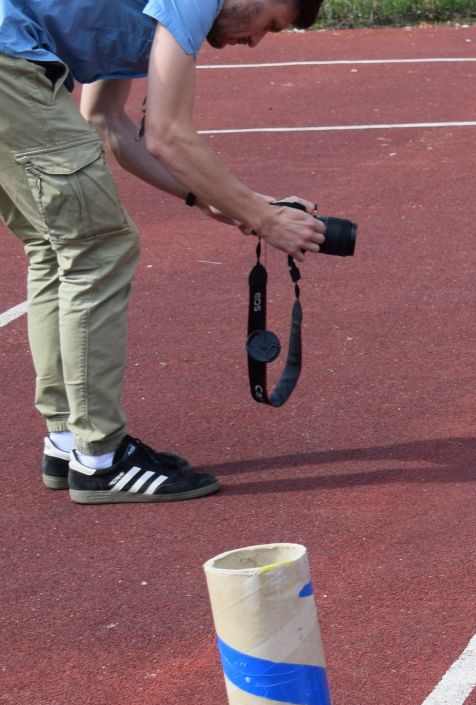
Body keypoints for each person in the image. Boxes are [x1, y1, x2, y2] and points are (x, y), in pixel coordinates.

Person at [0, 0, 326, 503]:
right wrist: (266, 221)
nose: (257, 41)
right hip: (11, 61)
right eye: (272, 24)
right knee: (99, 248)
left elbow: (107, 122)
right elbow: (167, 135)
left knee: (55, 247)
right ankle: (101, 459)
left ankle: (67, 441)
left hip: (14, 59)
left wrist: (221, 203)